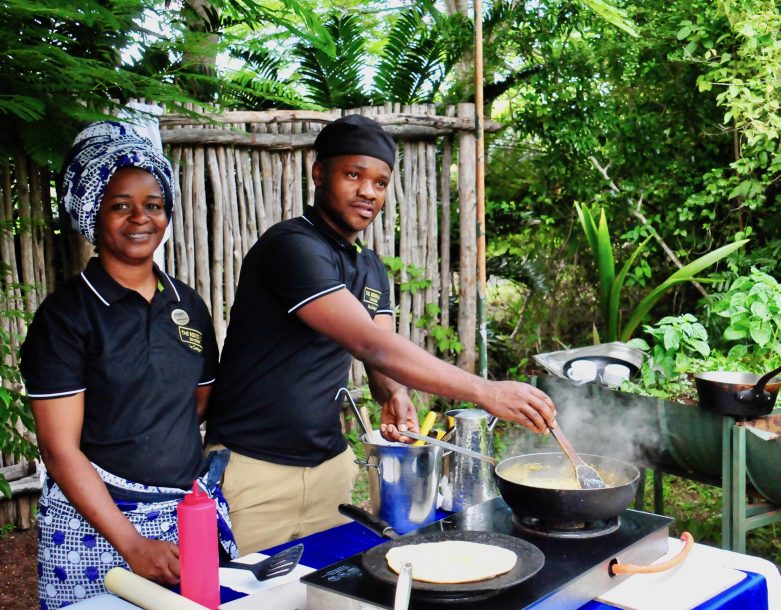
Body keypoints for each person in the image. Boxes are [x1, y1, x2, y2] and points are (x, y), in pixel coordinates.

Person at [205, 114, 557, 555]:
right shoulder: (291, 247)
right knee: (241, 599)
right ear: (319, 173)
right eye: (353, 175)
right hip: (253, 473)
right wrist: (484, 390)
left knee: (321, 595)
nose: (368, 191)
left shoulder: (370, 267)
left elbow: (380, 359)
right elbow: (369, 342)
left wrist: (395, 395)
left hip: (329, 469)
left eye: (381, 182)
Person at [20, 121, 237, 609]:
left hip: (184, 513)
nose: (141, 218)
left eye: (153, 205)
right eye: (120, 205)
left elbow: (195, 405)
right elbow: (59, 450)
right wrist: (132, 543)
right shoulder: (67, 317)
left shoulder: (188, 306)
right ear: (92, 213)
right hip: (97, 525)